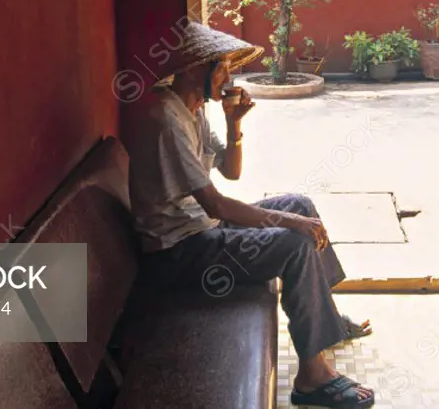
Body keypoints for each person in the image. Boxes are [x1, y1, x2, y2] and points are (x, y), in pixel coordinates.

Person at [128, 21, 375, 408]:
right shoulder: (166, 121)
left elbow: (231, 170)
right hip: (179, 252)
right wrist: (291, 225)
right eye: (222, 66)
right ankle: (312, 377)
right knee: (295, 239)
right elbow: (217, 205)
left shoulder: (193, 108)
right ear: (195, 68)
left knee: (299, 203)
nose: (228, 75)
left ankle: (324, 317)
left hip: (202, 229)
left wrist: (234, 123)